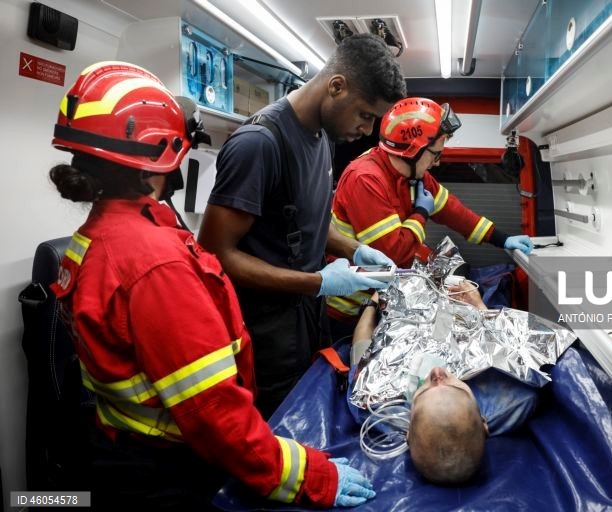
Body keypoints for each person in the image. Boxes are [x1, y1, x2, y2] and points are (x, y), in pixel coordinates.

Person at [48, 62, 374, 510]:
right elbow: (214, 413)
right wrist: (311, 476)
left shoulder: (100, 236)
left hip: (122, 451)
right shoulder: (153, 263)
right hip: (166, 471)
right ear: (158, 153)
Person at [198, 34, 408, 417]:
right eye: (364, 114)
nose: (368, 129)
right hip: (262, 333)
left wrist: (351, 248)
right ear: (336, 86)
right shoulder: (259, 144)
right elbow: (213, 255)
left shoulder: (322, 138)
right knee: (278, 426)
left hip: (305, 318)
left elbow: (307, 218)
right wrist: (318, 282)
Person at [327, 97, 534, 326]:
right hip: (351, 311)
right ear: (412, 151)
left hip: (384, 300)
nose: (437, 163)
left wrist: (502, 239)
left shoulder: (415, 176)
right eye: (435, 154)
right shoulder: (365, 179)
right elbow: (393, 256)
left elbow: (455, 212)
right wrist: (420, 214)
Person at [349, 281, 538, 485]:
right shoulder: (515, 399)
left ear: (408, 433)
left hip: (405, 310)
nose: (436, 372)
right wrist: (479, 306)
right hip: (459, 309)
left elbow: (361, 347)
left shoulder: (373, 405)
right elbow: (514, 346)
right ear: (484, 423)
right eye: (455, 387)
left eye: (423, 391)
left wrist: (372, 303)